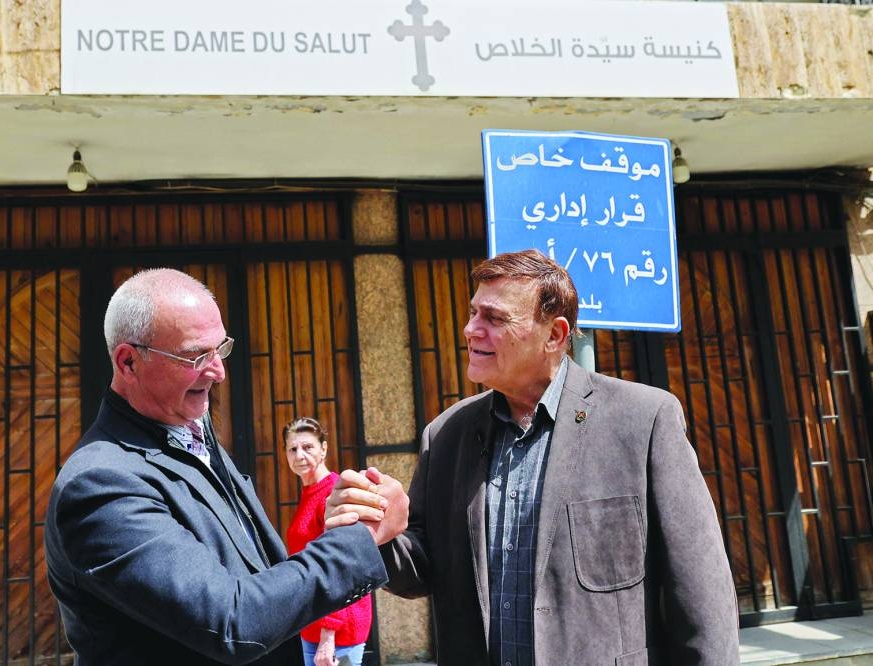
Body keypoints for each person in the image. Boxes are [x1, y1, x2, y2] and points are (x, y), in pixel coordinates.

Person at [326, 249, 740, 665]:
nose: (471, 329)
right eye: (473, 313)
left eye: (494, 318)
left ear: (555, 336)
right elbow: (422, 570)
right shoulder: (446, 436)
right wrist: (381, 533)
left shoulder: (643, 420)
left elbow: (701, 591)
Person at [44, 268, 407, 666]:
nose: (217, 371)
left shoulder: (185, 424)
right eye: (196, 356)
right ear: (129, 361)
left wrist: (343, 516)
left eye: (221, 349)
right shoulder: (99, 485)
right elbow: (232, 622)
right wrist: (360, 538)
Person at [283, 417, 372, 666]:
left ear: (324, 449)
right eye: (292, 449)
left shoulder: (333, 492)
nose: (299, 455)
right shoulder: (309, 493)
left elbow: (342, 566)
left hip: (338, 628)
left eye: (308, 447)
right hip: (313, 623)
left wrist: (328, 634)